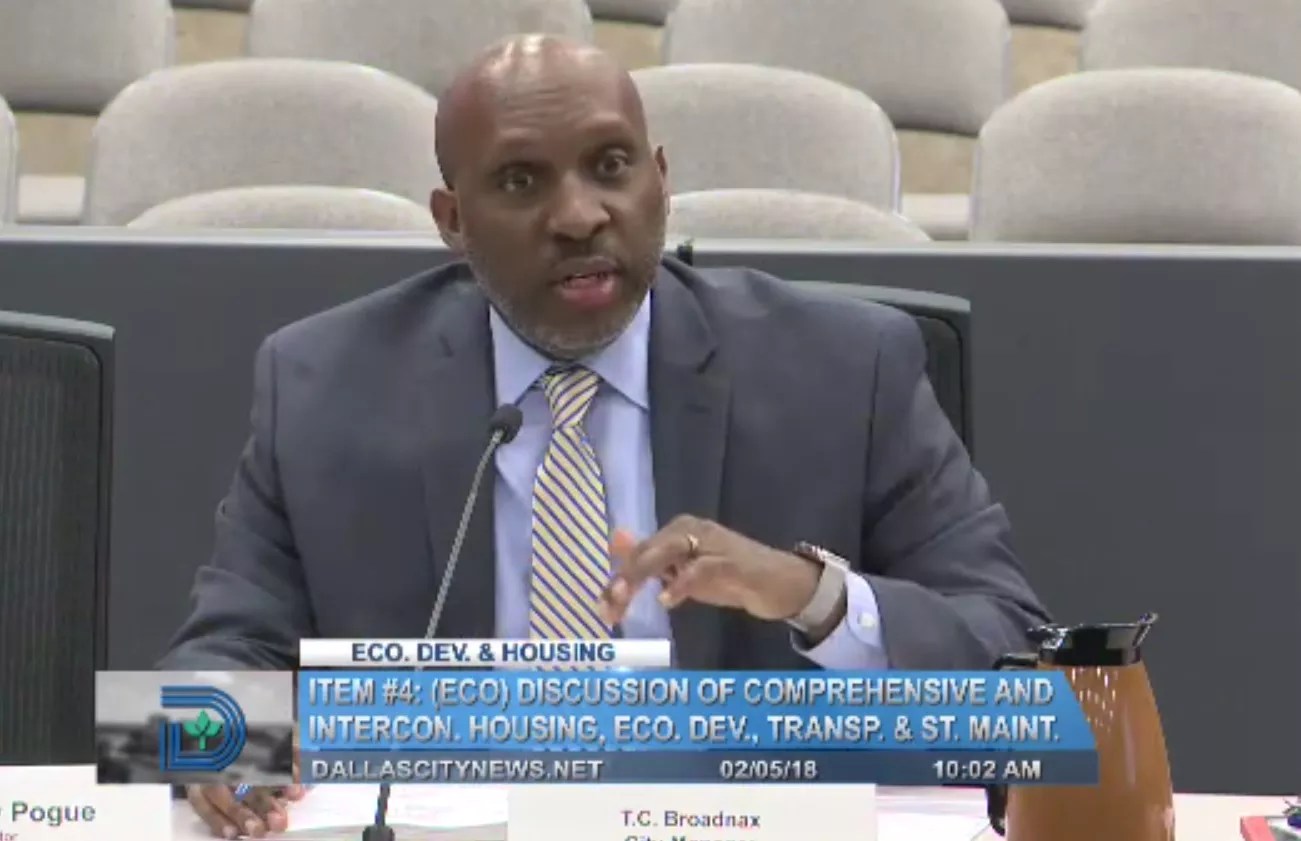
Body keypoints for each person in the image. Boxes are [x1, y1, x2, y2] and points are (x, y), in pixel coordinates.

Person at [167, 34, 1050, 838]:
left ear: (659, 181)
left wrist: (811, 595)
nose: (579, 215)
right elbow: (202, 674)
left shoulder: (844, 369)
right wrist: (218, 740)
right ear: (451, 219)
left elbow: (1025, 678)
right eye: (521, 181)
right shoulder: (324, 383)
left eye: (611, 166)